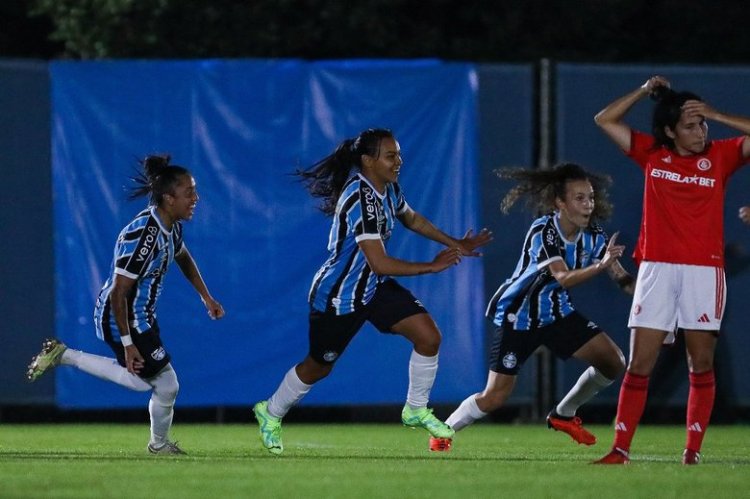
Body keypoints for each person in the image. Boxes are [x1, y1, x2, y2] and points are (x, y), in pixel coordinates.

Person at [252, 128, 492, 454]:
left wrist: (456, 243)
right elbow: (379, 262)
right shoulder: (360, 198)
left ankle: (416, 409)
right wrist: (430, 266)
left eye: (399, 154)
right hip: (340, 295)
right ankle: (271, 411)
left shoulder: (388, 188)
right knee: (318, 366)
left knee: (428, 336)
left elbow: (412, 219)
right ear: (368, 161)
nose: (399, 162)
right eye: (390, 156)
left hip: (373, 288)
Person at [593, 76, 750, 465]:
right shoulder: (651, 153)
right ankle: (619, 449)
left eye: (702, 124)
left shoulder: (721, 154)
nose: (700, 131)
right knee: (641, 363)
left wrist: (714, 112)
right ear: (669, 131)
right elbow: (605, 119)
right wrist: (645, 91)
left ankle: (692, 451)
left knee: (702, 362)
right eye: (690, 125)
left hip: (703, 270)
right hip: (657, 269)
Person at [26, 154, 225, 455]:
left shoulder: (171, 226)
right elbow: (120, 293)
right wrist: (128, 342)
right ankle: (67, 357)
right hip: (120, 316)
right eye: (189, 193)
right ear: (169, 199)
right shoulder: (146, 235)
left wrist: (205, 296)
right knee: (162, 384)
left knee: (156, 384)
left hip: (142, 316)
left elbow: (182, 256)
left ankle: (65, 356)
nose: (195, 198)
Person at [429, 162, 632, 452]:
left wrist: (653, 300)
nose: (588, 205)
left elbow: (621, 278)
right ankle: (441, 432)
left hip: (556, 313)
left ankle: (563, 414)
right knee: (494, 397)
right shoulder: (544, 230)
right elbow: (562, 277)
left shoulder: (595, 234)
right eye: (579, 198)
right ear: (559, 202)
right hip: (519, 316)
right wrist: (601, 265)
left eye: (590, 197)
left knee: (613, 361)